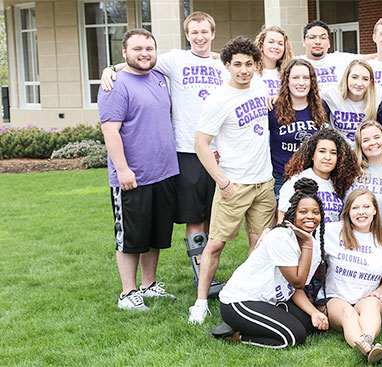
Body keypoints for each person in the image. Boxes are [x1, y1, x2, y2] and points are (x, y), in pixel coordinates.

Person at [100, 12, 228, 290]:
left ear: (213, 33)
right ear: (187, 35)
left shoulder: (224, 64)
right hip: (186, 151)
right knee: (194, 219)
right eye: (194, 32)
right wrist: (110, 69)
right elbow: (139, 62)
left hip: (217, 153)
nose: (200, 36)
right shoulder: (173, 60)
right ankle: (201, 279)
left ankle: (180, 278)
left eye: (205, 31)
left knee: (213, 219)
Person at [189, 36, 276, 323]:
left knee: (259, 245)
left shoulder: (261, 85)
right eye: (237, 64)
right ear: (227, 65)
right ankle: (201, 303)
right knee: (215, 244)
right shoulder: (218, 99)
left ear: (256, 65)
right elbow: (201, 143)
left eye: (249, 64)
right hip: (234, 184)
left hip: (264, 182)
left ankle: (245, 294)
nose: (243, 70)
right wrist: (222, 180)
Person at [98, 28, 179, 311]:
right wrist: (122, 170)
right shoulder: (115, 84)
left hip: (164, 172)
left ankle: (149, 285)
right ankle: (127, 293)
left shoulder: (158, 78)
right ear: (124, 52)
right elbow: (110, 130)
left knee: (155, 235)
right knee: (131, 237)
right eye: (137, 49)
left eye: (149, 48)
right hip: (133, 176)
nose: (144, 53)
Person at [214, 178, 329, 348]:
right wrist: (306, 245)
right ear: (293, 214)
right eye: (303, 211)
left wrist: (314, 313)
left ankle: (257, 322)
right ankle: (236, 334)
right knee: (294, 336)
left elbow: (295, 288)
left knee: (310, 325)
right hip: (240, 301)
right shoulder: (281, 238)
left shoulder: (313, 245)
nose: (310, 216)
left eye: (316, 212)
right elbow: (297, 281)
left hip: (266, 300)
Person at [319, 189, 382, 364]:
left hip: (366, 298)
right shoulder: (332, 231)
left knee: (371, 305)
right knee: (348, 313)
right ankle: (366, 346)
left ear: (375, 210)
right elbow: (303, 236)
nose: (361, 212)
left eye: (366, 206)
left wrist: (380, 292)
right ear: (348, 212)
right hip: (335, 298)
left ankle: (365, 340)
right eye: (355, 208)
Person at [269, 58, 330, 195]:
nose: (301, 83)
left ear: (312, 81)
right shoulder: (273, 109)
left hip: (313, 177)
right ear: (287, 81)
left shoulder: (322, 107)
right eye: (295, 78)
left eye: (306, 78)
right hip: (281, 178)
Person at [278, 128, 358, 223]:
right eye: (322, 151)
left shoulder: (341, 184)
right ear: (312, 155)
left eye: (333, 153)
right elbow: (282, 221)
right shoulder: (297, 182)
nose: (328, 157)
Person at [321, 59, 382, 144]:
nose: (359, 83)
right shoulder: (331, 94)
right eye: (354, 77)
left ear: (371, 82)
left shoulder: (378, 94)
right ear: (346, 77)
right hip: (340, 151)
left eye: (365, 79)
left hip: (365, 151)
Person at [299, 20, 360, 90]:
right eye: (312, 37)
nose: (318, 42)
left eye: (323, 38)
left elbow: (369, 58)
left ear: (329, 43)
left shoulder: (339, 59)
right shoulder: (295, 64)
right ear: (304, 42)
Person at [255, 25, 293, 97]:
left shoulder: (288, 74)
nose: (276, 47)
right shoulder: (251, 72)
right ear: (261, 46)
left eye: (280, 44)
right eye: (271, 42)